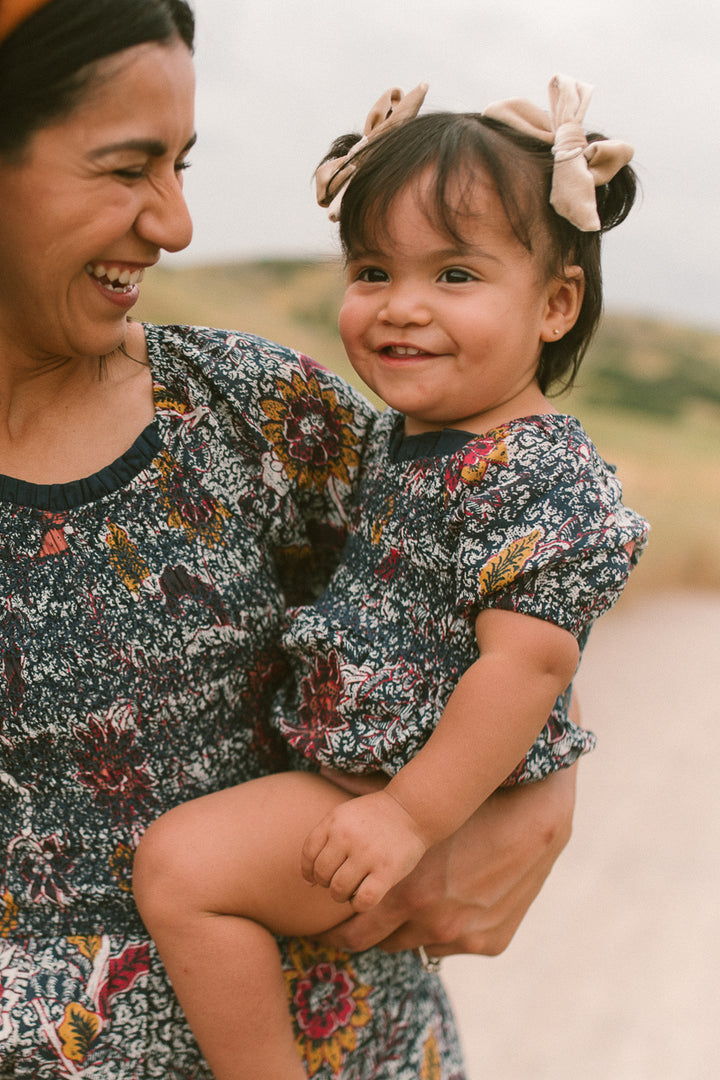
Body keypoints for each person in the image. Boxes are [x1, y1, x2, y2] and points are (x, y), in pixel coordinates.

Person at [0, 2, 582, 1076]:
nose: (174, 225)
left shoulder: (254, 412)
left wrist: (535, 807)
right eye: (129, 167)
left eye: (181, 164)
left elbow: (494, 590)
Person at [132, 77, 649, 1079]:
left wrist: (407, 815)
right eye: (373, 269)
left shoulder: (534, 466)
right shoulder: (405, 442)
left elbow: (529, 667)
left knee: (184, 870)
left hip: (394, 787)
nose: (401, 307)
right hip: (364, 772)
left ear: (555, 303)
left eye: (455, 275)